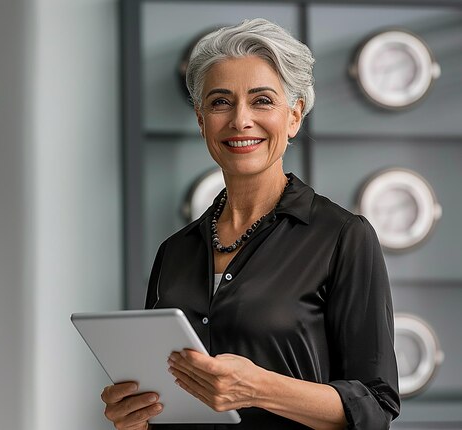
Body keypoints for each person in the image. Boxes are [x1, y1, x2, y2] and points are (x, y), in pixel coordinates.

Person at [101, 18, 400, 429]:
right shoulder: (174, 251)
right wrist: (134, 416)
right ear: (201, 121)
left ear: (294, 117)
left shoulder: (344, 237)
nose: (241, 120)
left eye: (262, 101)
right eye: (220, 102)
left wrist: (258, 388)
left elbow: (376, 407)